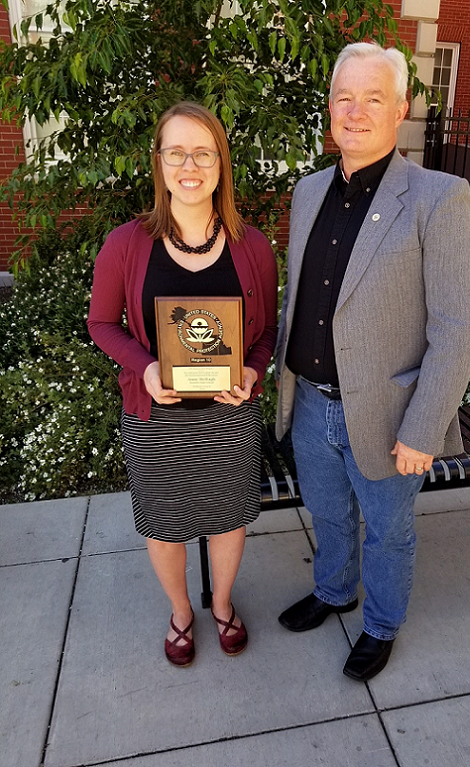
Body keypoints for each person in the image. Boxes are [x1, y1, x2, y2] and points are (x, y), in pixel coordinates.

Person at [275, 42, 470, 681]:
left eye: (373, 98)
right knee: (330, 514)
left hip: (392, 414)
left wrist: (424, 429)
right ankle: (335, 590)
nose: (356, 111)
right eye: (345, 97)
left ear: (401, 110)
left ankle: (381, 624)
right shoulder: (308, 192)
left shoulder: (438, 198)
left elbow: (457, 328)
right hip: (310, 401)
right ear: (330, 109)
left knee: (388, 531)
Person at [88, 102, 277, 667]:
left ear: (221, 163)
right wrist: (144, 367)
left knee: (228, 517)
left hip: (228, 414)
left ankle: (221, 605)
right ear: (159, 162)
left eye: (203, 152)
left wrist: (251, 370)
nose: (189, 165)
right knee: (164, 522)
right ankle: (180, 612)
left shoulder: (253, 247)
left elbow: (266, 335)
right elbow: (101, 324)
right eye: (176, 152)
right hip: (156, 415)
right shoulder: (125, 245)